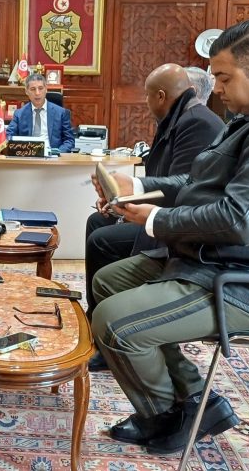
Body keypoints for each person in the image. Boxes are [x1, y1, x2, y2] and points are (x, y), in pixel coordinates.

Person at [90, 19, 249, 455]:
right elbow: (200, 183)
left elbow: (242, 219)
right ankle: (195, 400)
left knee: (114, 323)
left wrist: (157, 220)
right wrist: (141, 186)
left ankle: (164, 417)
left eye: (223, 78)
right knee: (109, 281)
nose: (216, 89)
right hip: (220, 262)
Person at [84, 64, 223, 325]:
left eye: (147, 96)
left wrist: (132, 192)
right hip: (160, 209)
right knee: (97, 221)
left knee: (101, 241)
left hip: (177, 224)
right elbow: (164, 179)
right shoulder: (178, 118)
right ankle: (96, 313)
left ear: (160, 96)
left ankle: (105, 318)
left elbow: (183, 190)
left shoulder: (197, 123)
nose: (146, 102)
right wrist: (118, 200)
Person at [6, 73, 75, 152]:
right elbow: (8, 136)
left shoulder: (61, 113)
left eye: (40, 88)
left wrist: (57, 153)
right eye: (33, 89)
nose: (37, 93)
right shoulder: (19, 114)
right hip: (28, 155)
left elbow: (69, 140)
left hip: (52, 155)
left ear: (46, 89)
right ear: (26, 91)